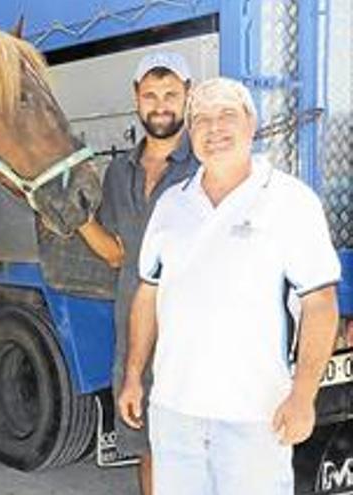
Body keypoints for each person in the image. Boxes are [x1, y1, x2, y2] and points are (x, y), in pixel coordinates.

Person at [119, 77, 340, 494]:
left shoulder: (290, 201)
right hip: (174, 415)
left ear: (251, 125)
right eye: (200, 118)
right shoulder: (170, 204)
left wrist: (303, 395)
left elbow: (320, 303)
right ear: (190, 133)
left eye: (227, 115)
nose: (214, 128)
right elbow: (147, 295)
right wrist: (133, 375)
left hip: (255, 418)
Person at [77, 51, 198, 493]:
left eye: (170, 94)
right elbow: (115, 255)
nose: (160, 105)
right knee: (150, 451)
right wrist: (74, 217)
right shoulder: (118, 173)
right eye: (151, 95)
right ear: (136, 99)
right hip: (138, 342)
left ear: (188, 95)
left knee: (203, 454)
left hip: (196, 345)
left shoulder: (207, 168)